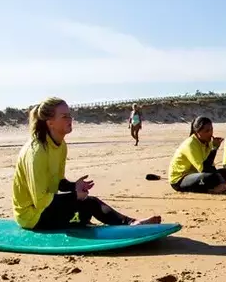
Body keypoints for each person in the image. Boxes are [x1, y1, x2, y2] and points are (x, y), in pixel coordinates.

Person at [13, 97, 161, 229]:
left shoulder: (60, 145)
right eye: (64, 116)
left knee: (87, 208)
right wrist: (74, 196)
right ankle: (130, 223)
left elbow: (57, 182)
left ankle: (131, 223)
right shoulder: (37, 152)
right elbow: (40, 201)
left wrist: (73, 186)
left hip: (46, 206)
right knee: (89, 204)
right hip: (31, 216)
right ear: (50, 123)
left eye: (70, 115)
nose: (70, 119)